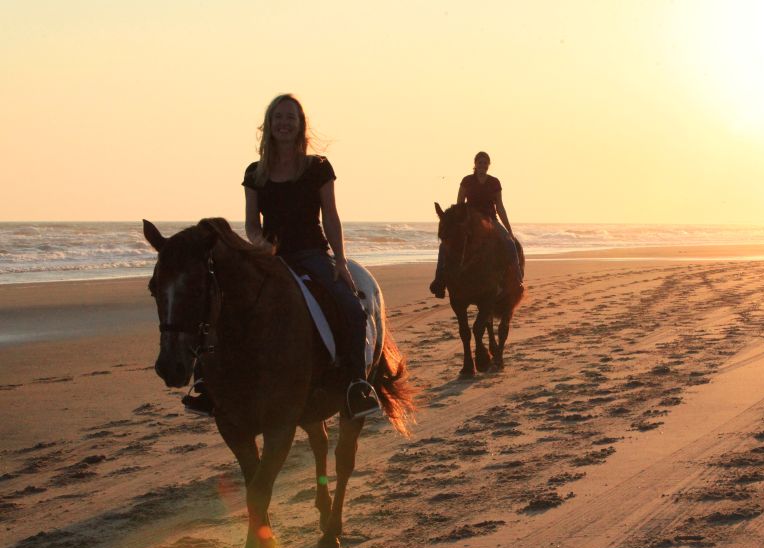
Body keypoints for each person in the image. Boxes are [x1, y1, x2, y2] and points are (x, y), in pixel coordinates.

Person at [183, 94, 380, 420]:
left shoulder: (318, 167)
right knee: (220, 303)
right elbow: (251, 224)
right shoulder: (255, 172)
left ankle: (356, 385)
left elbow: (331, 217)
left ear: (300, 125)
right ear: (269, 124)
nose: (284, 123)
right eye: (278, 117)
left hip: (312, 253)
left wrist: (341, 260)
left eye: (290, 117)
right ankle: (206, 383)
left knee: (351, 308)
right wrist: (262, 247)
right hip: (271, 258)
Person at [429, 151, 523, 299]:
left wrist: (509, 229)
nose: (482, 165)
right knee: (444, 246)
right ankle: (439, 282)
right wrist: (457, 223)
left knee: (509, 243)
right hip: (470, 221)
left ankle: (517, 281)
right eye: (480, 163)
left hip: (490, 220)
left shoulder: (494, 182)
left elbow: (499, 206)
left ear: (488, 165)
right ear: (475, 164)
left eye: (485, 163)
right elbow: (460, 204)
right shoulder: (467, 181)